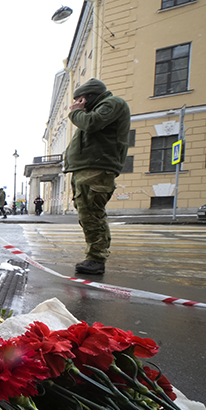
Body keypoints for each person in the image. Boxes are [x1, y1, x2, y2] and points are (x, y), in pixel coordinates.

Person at [65, 78, 131, 275]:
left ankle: (96, 258)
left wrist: (76, 112)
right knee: (87, 213)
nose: (76, 104)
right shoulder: (94, 110)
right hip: (87, 168)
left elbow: (93, 123)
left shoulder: (112, 104)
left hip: (97, 168)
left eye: (80, 100)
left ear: (89, 97)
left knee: (92, 213)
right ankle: (94, 256)